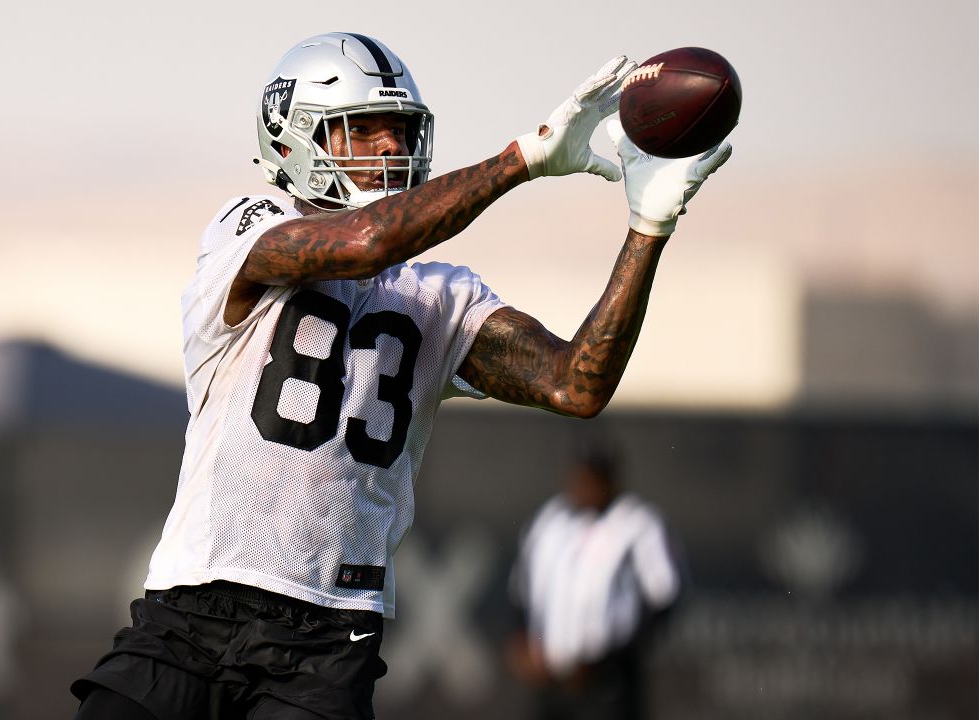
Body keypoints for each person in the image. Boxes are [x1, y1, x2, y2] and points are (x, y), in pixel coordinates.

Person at [70, 32, 729, 720]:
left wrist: (647, 228)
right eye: (363, 128)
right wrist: (522, 160)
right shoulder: (247, 227)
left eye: (399, 128)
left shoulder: (441, 295)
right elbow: (362, 245)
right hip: (190, 611)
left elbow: (577, 382)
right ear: (295, 138)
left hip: (330, 638)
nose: (390, 146)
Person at [507, 450, 681, 720]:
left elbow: (663, 600)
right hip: (552, 681)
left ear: (611, 481)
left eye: (594, 479)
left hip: (609, 683)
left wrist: (606, 661)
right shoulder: (549, 520)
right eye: (581, 477)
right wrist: (523, 639)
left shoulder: (637, 523)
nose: (585, 487)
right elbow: (521, 590)